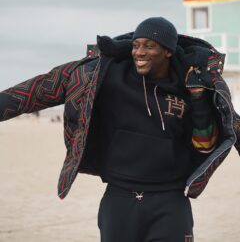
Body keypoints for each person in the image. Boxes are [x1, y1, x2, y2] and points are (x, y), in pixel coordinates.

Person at [0, 17, 239, 242]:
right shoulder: (104, 75)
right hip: (119, 199)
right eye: (135, 45)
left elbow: (205, 146)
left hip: (171, 202)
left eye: (149, 46)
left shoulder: (193, 87)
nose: (139, 52)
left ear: (168, 50)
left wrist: (198, 99)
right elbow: (41, 89)